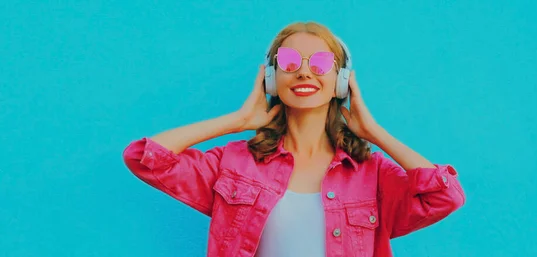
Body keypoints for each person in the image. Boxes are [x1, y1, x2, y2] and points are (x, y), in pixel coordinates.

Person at [123, 21, 466, 257]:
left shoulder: (372, 173)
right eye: (288, 62)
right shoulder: (235, 163)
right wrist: (237, 121)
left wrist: (375, 132)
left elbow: (444, 195)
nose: (304, 71)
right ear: (271, 79)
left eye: (320, 63)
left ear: (342, 81)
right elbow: (143, 157)